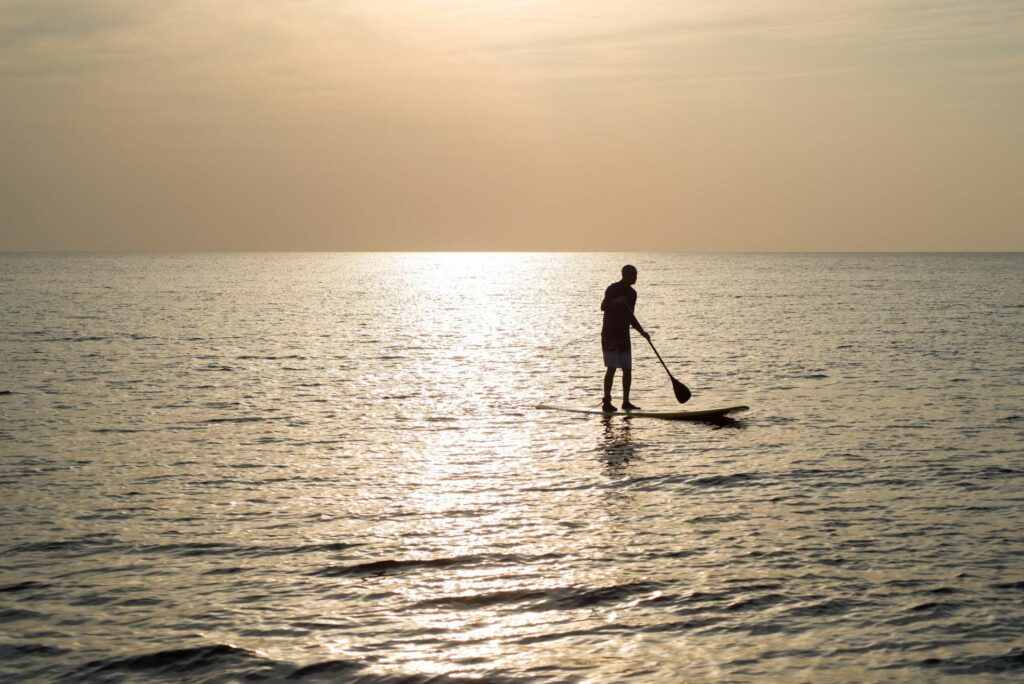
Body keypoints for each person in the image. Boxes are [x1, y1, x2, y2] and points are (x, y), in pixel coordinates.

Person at [601, 264, 650, 412]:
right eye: (633, 275)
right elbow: (603, 306)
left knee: (627, 369)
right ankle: (607, 402)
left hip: (623, 335)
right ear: (625, 275)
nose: (636, 277)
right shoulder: (613, 289)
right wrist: (616, 302)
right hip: (610, 335)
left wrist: (643, 332)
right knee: (612, 368)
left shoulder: (633, 293)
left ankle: (626, 401)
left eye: (636, 274)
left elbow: (630, 317)